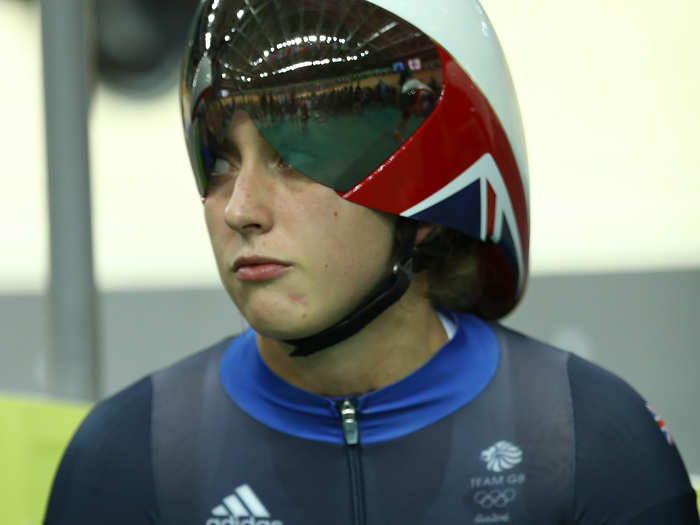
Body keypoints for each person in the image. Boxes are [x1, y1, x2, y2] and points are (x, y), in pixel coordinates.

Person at [44, 1, 699, 524]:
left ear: (428, 177)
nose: (240, 208)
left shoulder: (594, 444)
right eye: (221, 158)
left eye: (295, 155)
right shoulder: (127, 461)